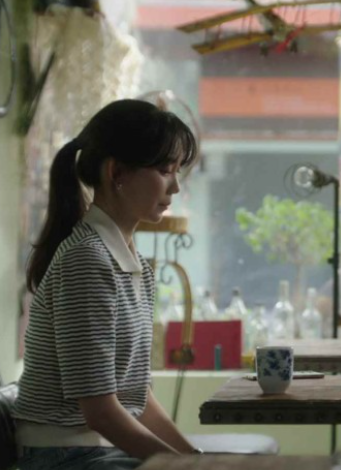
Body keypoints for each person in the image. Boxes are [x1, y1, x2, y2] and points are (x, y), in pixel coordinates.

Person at [13, 99, 201, 469]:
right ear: (116, 172)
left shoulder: (134, 266)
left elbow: (138, 397)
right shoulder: (87, 260)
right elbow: (100, 412)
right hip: (66, 456)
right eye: (165, 170)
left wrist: (196, 459)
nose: (176, 187)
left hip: (98, 450)